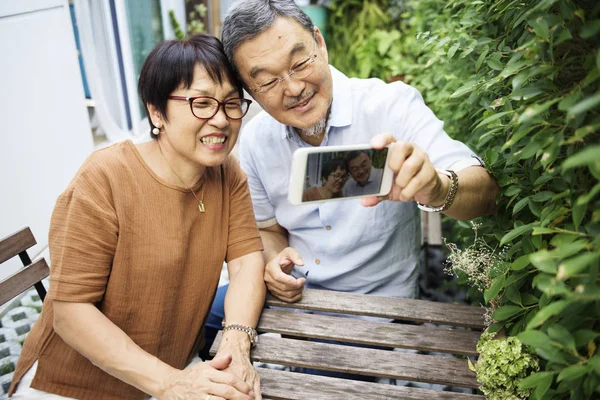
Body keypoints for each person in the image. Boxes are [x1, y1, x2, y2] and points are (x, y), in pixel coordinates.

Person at [206, 0, 499, 337]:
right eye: (268, 82)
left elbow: (486, 192)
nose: (293, 88)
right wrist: (274, 262)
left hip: (378, 311)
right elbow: (268, 230)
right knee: (199, 319)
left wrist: (438, 187)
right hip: (298, 299)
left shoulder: (391, 105)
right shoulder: (257, 140)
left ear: (321, 42)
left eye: (300, 62)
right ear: (250, 91)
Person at [8, 34, 265, 400]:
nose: (221, 120)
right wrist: (169, 383)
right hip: (74, 385)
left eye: (231, 103)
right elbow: (70, 311)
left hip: (173, 369)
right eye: (202, 103)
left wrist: (238, 342)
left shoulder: (227, 173)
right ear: (156, 112)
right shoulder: (105, 178)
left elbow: (245, 261)